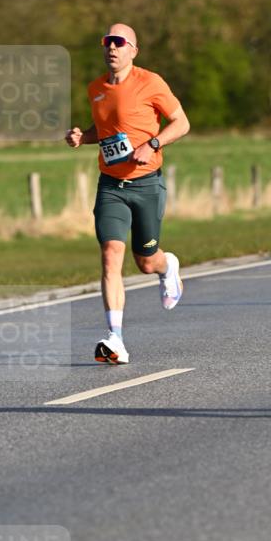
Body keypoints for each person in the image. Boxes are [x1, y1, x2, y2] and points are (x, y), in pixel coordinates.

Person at [65, 23, 189, 364]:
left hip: (146, 183)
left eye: (120, 43)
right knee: (109, 256)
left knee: (146, 261)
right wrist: (82, 137)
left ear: (133, 50)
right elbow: (103, 132)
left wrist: (153, 143)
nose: (112, 48)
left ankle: (167, 267)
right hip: (111, 186)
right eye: (107, 42)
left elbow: (181, 123)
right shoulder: (96, 89)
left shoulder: (151, 83)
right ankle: (115, 339)